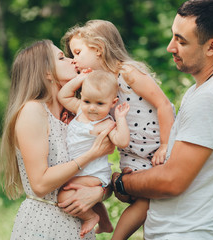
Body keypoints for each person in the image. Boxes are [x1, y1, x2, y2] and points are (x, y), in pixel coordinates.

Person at [111, 0, 213, 239]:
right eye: (173, 37)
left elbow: (171, 180)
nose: (170, 47)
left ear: (211, 46)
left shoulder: (212, 97)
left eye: (181, 41)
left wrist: (121, 183)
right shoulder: (204, 90)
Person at [62, 19, 175, 239]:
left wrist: (165, 144)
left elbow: (164, 105)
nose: (73, 60)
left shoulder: (128, 73)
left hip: (156, 147)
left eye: (77, 52)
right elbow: (71, 103)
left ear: (98, 49)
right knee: (139, 199)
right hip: (132, 155)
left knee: (147, 202)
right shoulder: (99, 92)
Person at [0, 39, 116, 240]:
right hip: (45, 225)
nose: (72, 60)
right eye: (62, 57)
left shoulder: (76, 116)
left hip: (79, 227)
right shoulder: (32, 111)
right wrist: (92, 154)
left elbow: (95, 174)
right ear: (46, 72)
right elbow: (40, 184)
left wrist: (100, 193)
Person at [57, 69, 130, 238]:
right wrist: (81, 78)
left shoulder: (104, 124)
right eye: (87, 100)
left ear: (113, 103)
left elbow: (122, 141)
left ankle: (92, 217)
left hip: (94, 174)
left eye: (100, 104)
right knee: (75, 190)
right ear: (81, 97)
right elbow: (63, 95)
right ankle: (104, 222)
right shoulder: (81, 110)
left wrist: (120, 119)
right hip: (81, 169)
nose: (92, 108)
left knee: (63, 194)